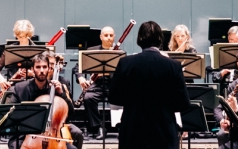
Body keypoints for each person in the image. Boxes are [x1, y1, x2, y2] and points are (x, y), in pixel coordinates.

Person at [108, 21, 191, 149]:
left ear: (139, 39)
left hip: (133, 130)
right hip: (163, 132)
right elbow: (183, 103)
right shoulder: (173, 66)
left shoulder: (125, 63)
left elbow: (114, 98)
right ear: (160, 39)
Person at [6, 52, 79, 149]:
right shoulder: (20, 88)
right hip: (25, 135)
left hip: (53, 135)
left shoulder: (56, 88)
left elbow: (71, 113)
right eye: (38, 67)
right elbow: (10, 114)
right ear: (32, 69)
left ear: (49, 69)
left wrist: (62, 94)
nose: (41, 70)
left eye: (44, 67)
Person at [78, 26, 116, 139]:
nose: (109, 38)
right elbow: (78, 67)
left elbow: (123, 71)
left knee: (123, 97)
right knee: (88, 97)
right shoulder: (91, 51)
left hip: (114, 86)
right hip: (97, 86)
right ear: (100, 37)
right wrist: (81, 78)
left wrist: (107, 73)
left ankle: (121, 127)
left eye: (111, 35)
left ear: (114, 37)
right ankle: (98, 127)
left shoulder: (119, 52)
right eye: (106, 35)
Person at [0, 20, 36, 91]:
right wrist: (0, 79)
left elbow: (45, 72)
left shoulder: (36, 50)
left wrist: (33, 74)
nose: (21, 39)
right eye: (19, 36)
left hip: (32, 85)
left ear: (29, 35)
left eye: (24, 36)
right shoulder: (10, 49)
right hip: (14, 86)